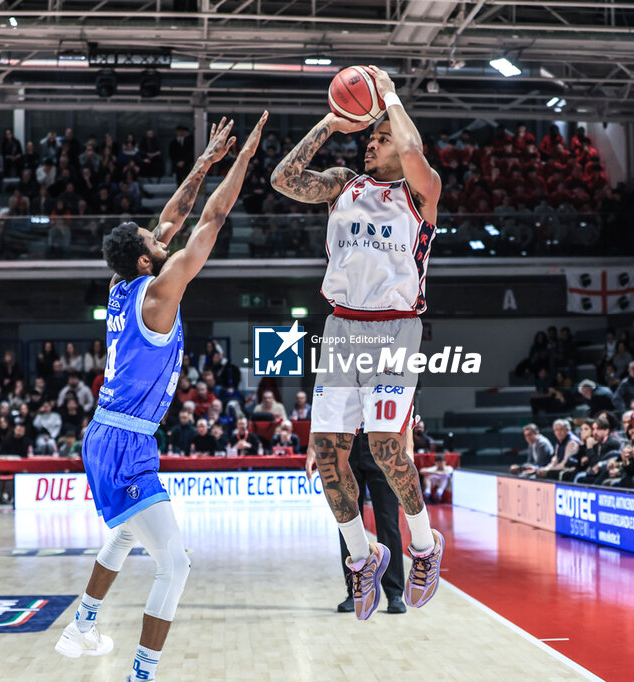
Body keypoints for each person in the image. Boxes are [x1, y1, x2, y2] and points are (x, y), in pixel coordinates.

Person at [54, 112, 267, 682]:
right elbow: (211, 218)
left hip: (106, 432)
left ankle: (82, 624)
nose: (161, 233)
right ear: (148, 261)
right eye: (154, 240)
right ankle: (141, 674)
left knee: (126, 532)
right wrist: (244, 160)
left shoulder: (122, 284)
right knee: (175, 563)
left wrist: (204, 162)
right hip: (125, 440)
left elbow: (173, 216)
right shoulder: (159, 295)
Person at [271, 66, 443, 620]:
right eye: (369, 137)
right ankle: (361, 556)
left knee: (388, 449)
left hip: (395, 327)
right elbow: (283, 178)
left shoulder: (421, 191)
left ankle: (423, 546)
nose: (371, 143)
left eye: (380, 138)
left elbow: (412, 147)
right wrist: (330, 122)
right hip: (342, 326)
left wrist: (389, 96)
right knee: (327, 454)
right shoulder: (345, 184)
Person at [329, 430, 407, 616]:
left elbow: (407, 415)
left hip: (383, 440)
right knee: (349, 523)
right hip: (347, 441)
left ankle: (395, 594)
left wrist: (408, 448)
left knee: (388, 522)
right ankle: (355, 591)